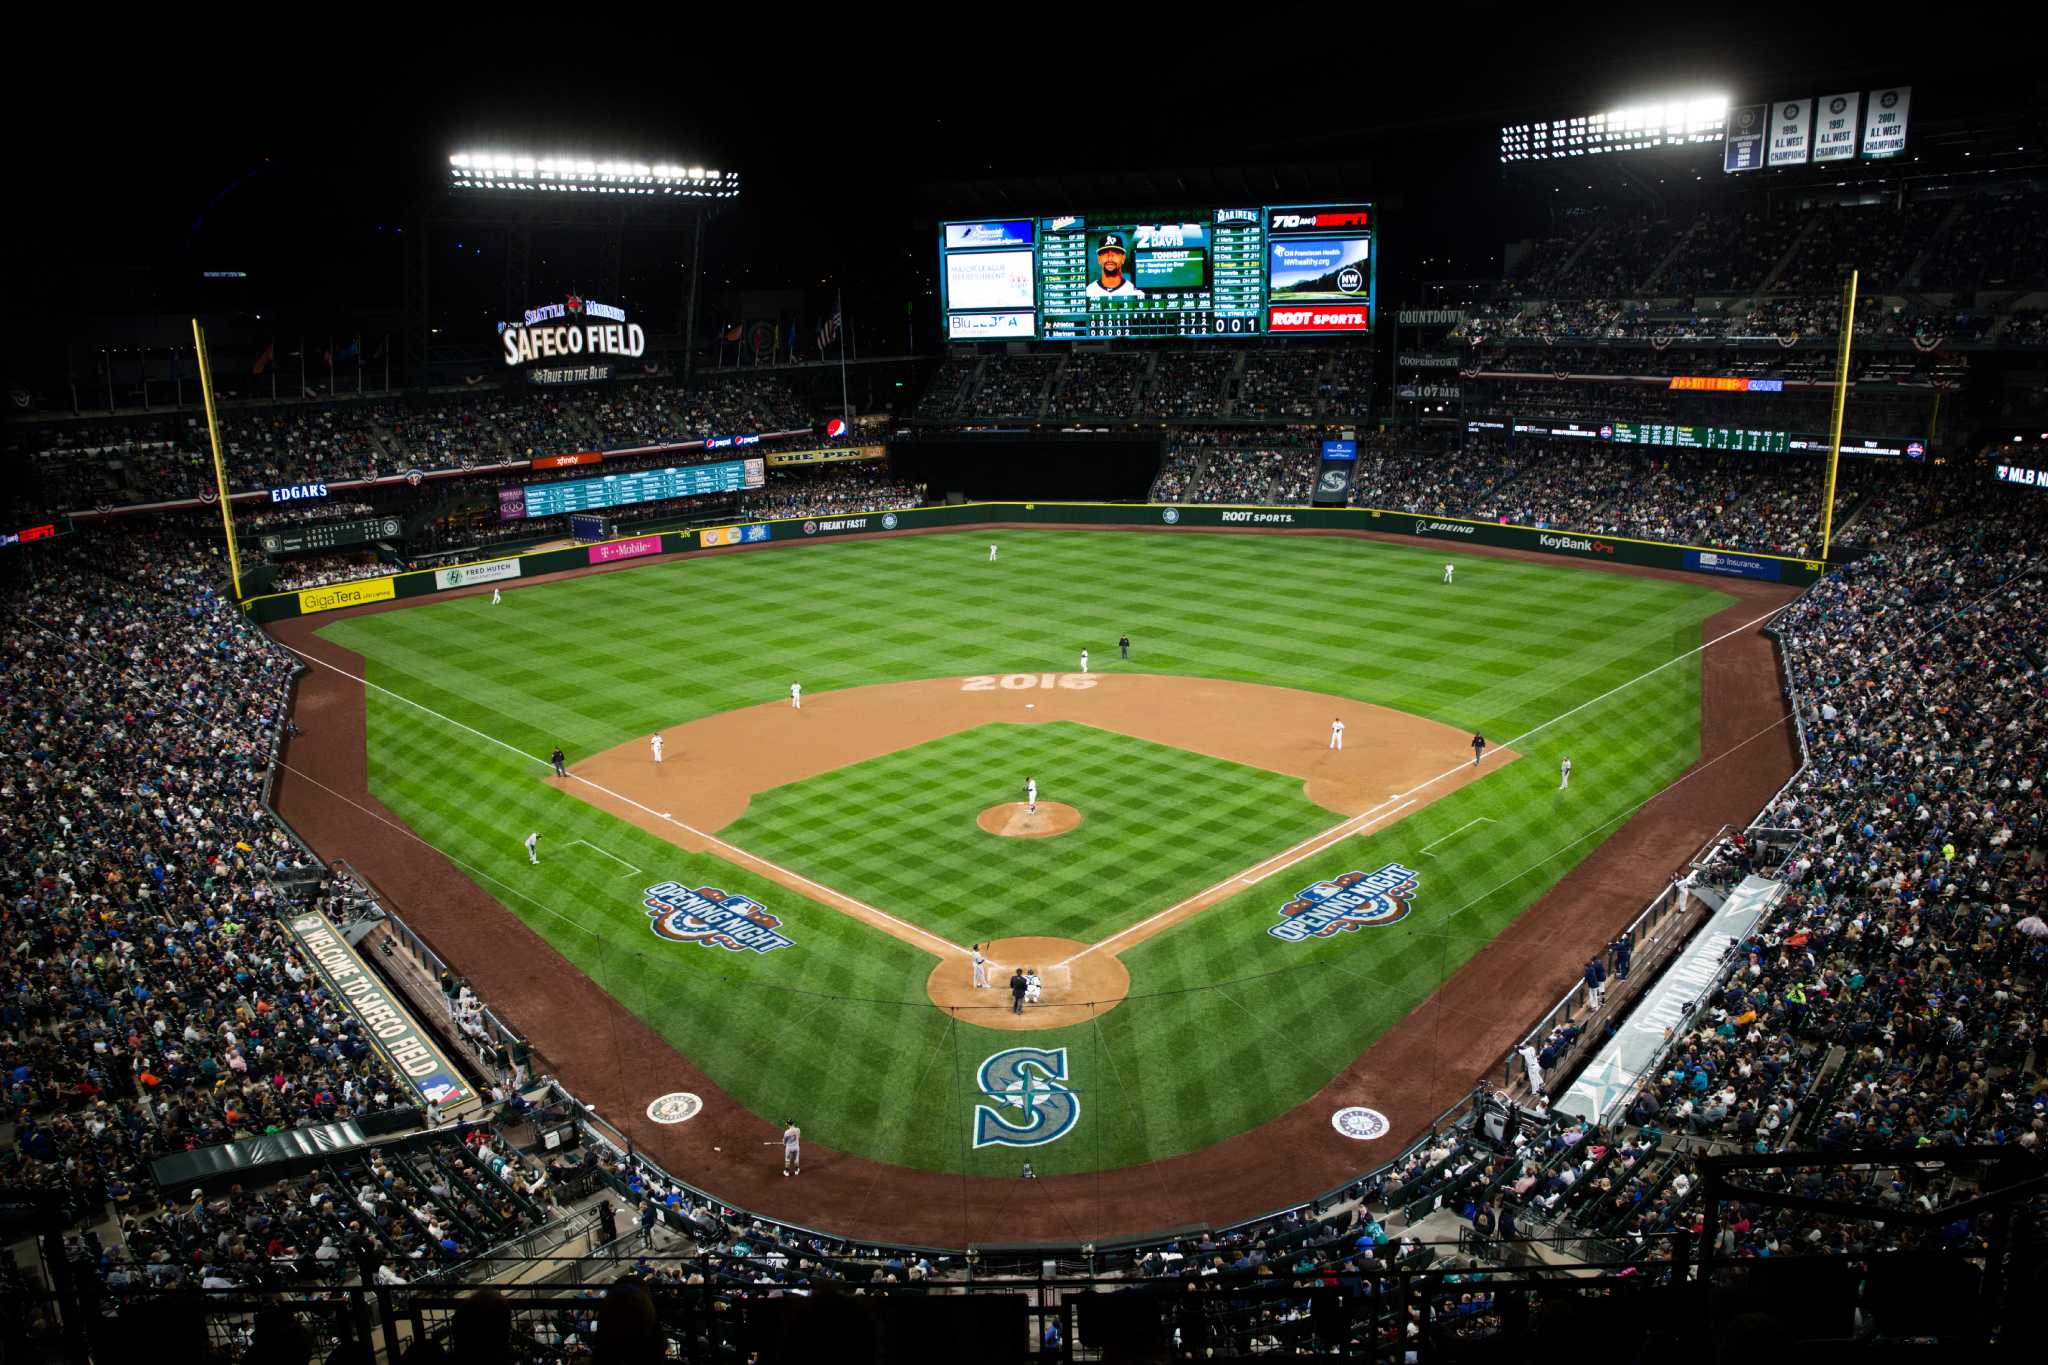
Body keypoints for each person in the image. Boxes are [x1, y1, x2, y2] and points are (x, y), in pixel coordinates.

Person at [1085, 232, 1145, 298]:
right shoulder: (1088, 291)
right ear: (1099, 259)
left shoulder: (1135, 292)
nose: (1110, 258)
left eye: (1115, 253)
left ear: (1123, 258)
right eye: (1105, 253)